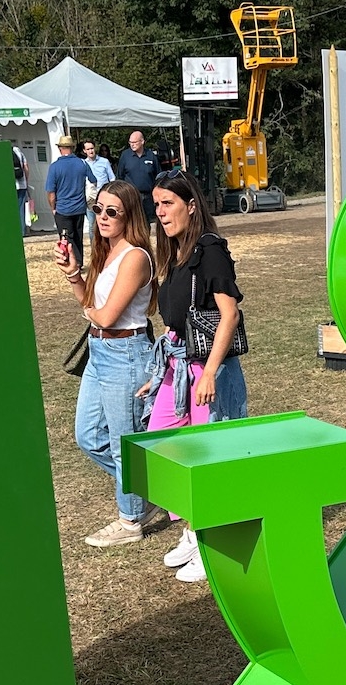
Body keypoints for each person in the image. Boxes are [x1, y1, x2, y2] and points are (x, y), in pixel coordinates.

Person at [138, 170, 248, 583]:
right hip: (177, 366)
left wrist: (211, 373)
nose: (161, 212)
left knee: (207, 459)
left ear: (191, 205)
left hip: (207, 368)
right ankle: (191, 529)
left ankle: (211, 542)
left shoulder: (210, 249)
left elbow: (228, 314)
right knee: (164, 448)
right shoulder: (176, 253)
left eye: (168, 203)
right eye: (157, 204)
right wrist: (160, 372)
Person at [58, 180, 161, 548]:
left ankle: (131, 519)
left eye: (111, 212)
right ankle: (146, 498)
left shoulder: (135, 257)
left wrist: (92, 312)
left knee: (123, 444)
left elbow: (105, 316)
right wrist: (74, 272)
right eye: (98, 209)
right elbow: (91, 306)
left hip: (126, 353)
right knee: (88, 437)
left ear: (129, 215)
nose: (102, 217)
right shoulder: (107, 253)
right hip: (100, 353)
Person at [45, 134, 95, 268]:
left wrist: (53, 208)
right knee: (78, 236)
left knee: (65, 238)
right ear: (71, 148)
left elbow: (51, 192)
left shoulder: (55, 167)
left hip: (63, 208)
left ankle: (70, 263)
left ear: (60, 148)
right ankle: (79, 262)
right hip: (79, 207)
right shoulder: (82, 163)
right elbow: (93, 180)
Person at [120, 130, 159, 222]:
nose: (132, 144)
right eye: (130, 142)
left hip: (147, 197)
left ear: (142, 142)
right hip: (131, 196)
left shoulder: (151, 155)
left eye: (134, 142)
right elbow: (120, 176)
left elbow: (158, 176)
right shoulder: (125, 156)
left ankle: (145, 236)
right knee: (132, 222)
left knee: (146, 222)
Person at [82, 140, 116, 243]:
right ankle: (95, 250)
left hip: (104, 197)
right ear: (84, 151)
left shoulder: (104, 162)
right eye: (88, 149)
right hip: (90, 198)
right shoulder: (83, 164)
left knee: (106, 223)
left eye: (92, 148)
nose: (91, 151)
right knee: (93, 226)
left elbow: (112, 178)